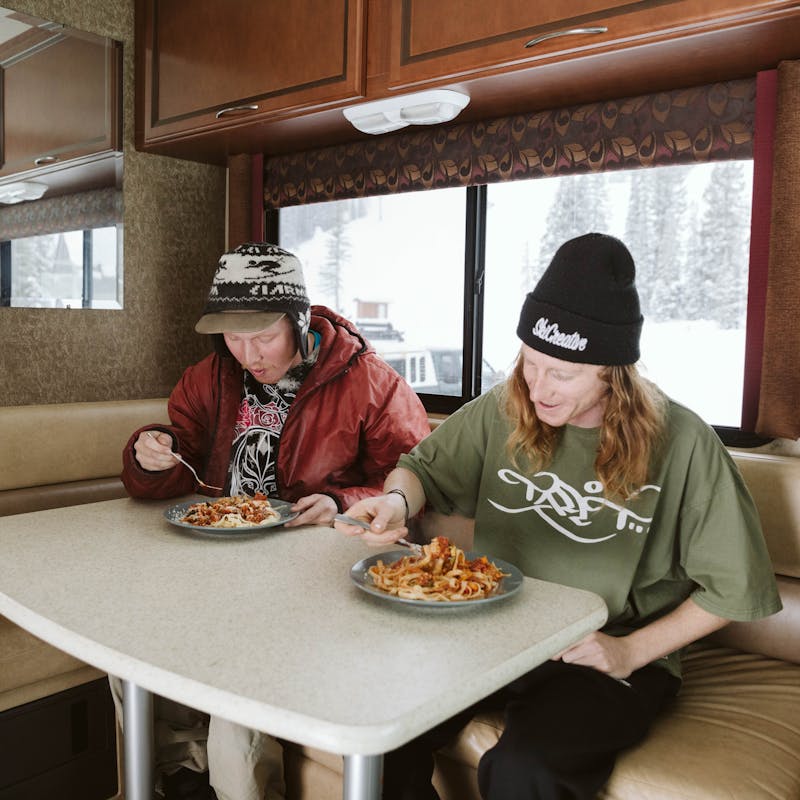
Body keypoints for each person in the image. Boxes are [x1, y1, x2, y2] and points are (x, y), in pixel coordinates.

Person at [337, 232, 782, 800]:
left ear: (613, 373)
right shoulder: (507, 404)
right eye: (530, 363)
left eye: (563, 373)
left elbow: (734, 589)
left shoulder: (685, 442)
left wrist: (629, 652)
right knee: (383, 726)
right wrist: (396, 502)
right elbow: (419, 469)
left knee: (524, 769)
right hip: (496, 631)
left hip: (604, 651)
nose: (538, 388)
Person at [116, 242, 431, 800]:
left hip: (305, 578)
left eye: (263, 337)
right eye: (233, 338)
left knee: (239, 682)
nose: (248, 353)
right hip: (211, 562)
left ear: (299, 320)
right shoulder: (208, 378)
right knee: (124, 646)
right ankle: (175, 778)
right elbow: (180, 458)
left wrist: (337, 500)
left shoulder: (370, 382)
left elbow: (412, 477)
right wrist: (148, 453)